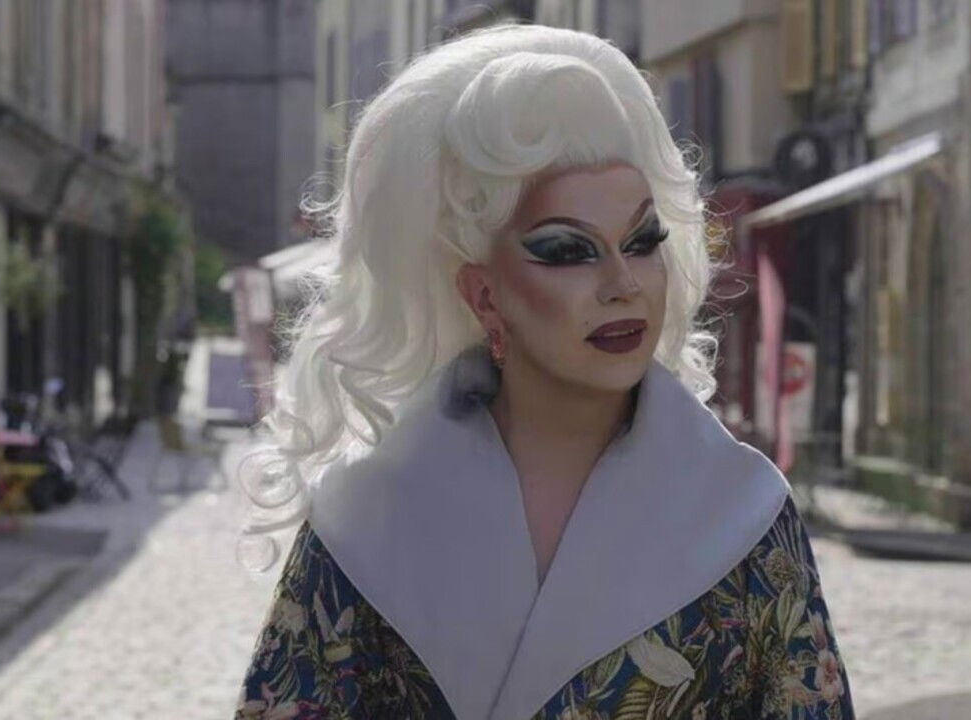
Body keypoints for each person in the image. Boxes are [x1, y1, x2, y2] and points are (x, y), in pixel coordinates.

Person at [235, 23, 854, 720]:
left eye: (643, 240)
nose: (623, 283)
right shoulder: (369, 515)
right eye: (568, 250)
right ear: (483, 294)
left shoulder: (743, 513)